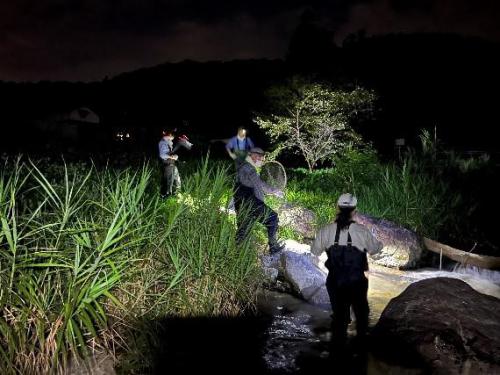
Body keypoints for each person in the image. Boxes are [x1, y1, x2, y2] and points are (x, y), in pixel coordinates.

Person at [311, 193, 383, 345]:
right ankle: (361, 354)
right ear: (354, 211)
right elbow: (376, 250)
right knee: (362, 320)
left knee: (339, 320)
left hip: (335, 283)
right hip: (357, 282)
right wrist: (379, 243)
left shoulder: (326, 230)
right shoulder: (362, 231)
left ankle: (337, 355)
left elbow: (315, 251)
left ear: (337, 208)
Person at [234, 147, 285, 254]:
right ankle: (273, 247)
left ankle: (235, 255)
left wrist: (271, 192)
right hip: (251, 203)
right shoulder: (248, 168)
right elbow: (260, 184)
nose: (263, 162)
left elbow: (255, 184)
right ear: (255, 157)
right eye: (262, 160)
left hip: (241, 204)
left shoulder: (243, 167)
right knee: (273, 218)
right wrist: (274, 191)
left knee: (242, 233)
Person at [158, 129, 181, 199]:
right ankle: (165, 197)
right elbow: (162, 155)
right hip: (168, 165)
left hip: (172, 165)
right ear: (169, 136)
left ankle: (177, 193)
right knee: (168, 182)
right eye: (171, 138)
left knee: (177, 179)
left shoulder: (168, 143)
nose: (172, 140)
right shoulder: (163, 143)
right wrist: (172, 157)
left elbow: (170, 153)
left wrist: (175, 156)